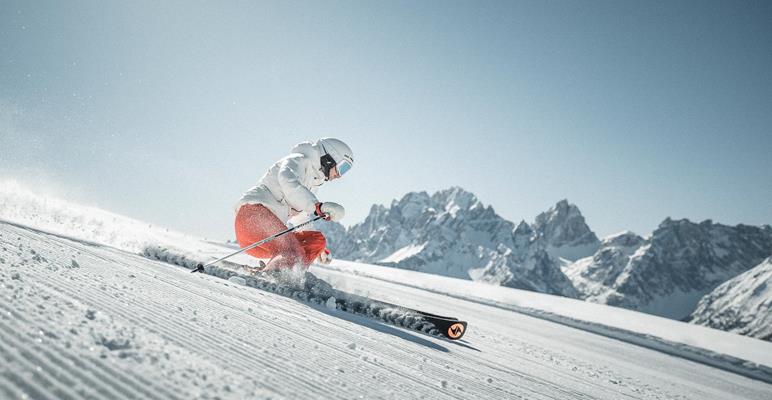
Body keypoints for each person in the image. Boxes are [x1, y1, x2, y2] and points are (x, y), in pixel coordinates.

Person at [234, 138, 352, 271]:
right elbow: (288, 182)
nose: (339, 175)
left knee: (316, 240)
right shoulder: (298, 159)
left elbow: (300, 217)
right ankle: (276, 276)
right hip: (254, 218)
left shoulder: (311, 183)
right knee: (292, 253)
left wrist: (319, 250)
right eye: (343, 167)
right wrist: (317, 207)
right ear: (329, 158)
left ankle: (293, 274)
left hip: (269, 237)